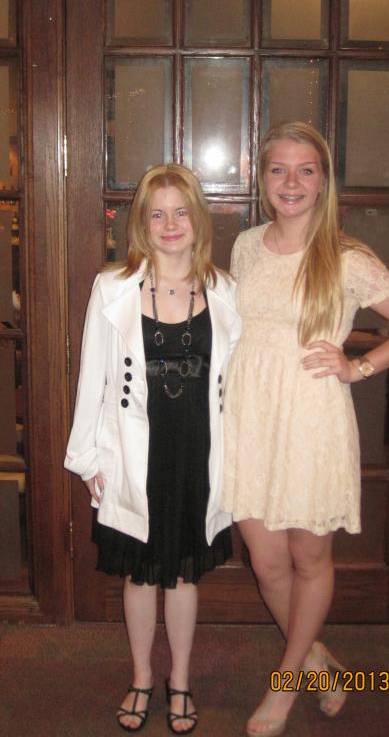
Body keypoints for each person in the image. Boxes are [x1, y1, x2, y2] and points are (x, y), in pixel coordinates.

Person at [222, 121, 389, 737]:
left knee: (308, 556)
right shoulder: (245, 245)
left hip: (311, 419)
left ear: (323, 181)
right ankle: (316, 661)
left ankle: (287, 681)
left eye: (306, 170)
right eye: (278, 169)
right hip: (249, 415)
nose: (291, 182)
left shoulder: (346, 257)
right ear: (262, 178)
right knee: (266, 561)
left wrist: (358, 366)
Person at [65, 164, 240, 734]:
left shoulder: (225, 290)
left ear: (198, 220)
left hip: (197, 452)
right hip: (132, 450)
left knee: (184, 575)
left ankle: (180, 679)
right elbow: (92, 377)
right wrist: (88, 457)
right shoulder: (112, 287)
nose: (170, 224)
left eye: (181, 212)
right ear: (141, 223)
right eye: (157, 213)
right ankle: (142, 676)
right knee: (140, 575)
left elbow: (239, 383)